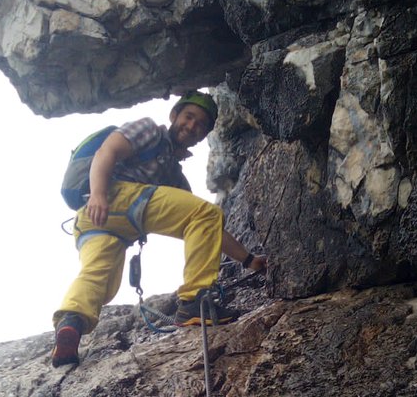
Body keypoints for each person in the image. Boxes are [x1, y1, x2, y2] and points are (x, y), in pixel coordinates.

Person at [51, 91, 267, 366]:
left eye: (200, 125)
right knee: (204, 212)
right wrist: (99, 193)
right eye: (188, 117)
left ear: (203, 136)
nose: (192, 126)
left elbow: (209, 228)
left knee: (100, 280)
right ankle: (193, 303)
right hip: (109, 198)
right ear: (174, 115)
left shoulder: (175, 179)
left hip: (97, 221)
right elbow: (108, 151)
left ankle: (71, 323)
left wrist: (249, 261)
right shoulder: (149, 130)